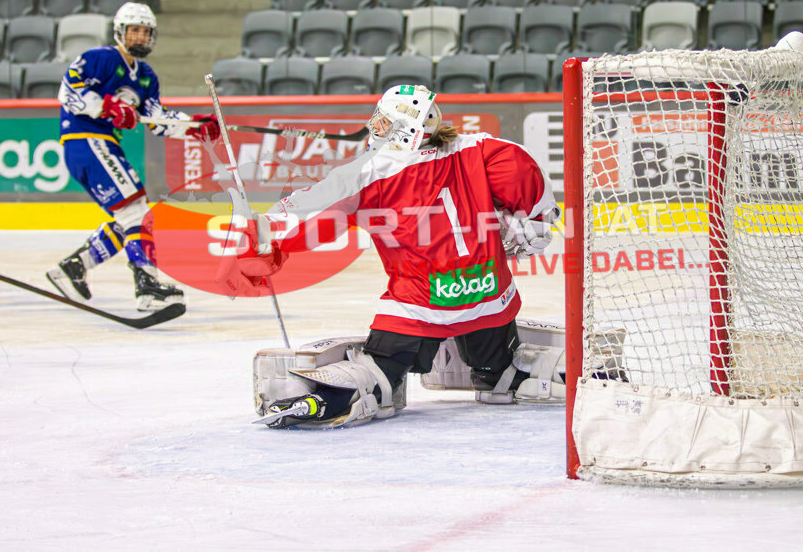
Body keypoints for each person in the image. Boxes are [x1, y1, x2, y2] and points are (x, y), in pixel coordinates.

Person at [230, 85, 561, 428]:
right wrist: (532, 224)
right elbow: (532, 195)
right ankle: (500, 373)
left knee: (380, 371)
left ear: (410, 128)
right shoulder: (482, 148)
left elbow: (308, 219)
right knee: (497, 359)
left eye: (387, 123)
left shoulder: (367, 172)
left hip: (418, 305)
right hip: (490, 298)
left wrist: (259, 231)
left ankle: (358, 391)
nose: (377, 128)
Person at [46, 2, 220, 312]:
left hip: (105, 145)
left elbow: (156, 119)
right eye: (134, 31)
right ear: (120, 32)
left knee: (129, 217)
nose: (139, 37)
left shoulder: (146, 77)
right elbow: (68, 90)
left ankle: (74, 267)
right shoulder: (99, 59)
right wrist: (106, 107)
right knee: (138, 213)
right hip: (85, 140)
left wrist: (193, 127)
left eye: (145, 31)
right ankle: (147, 285)